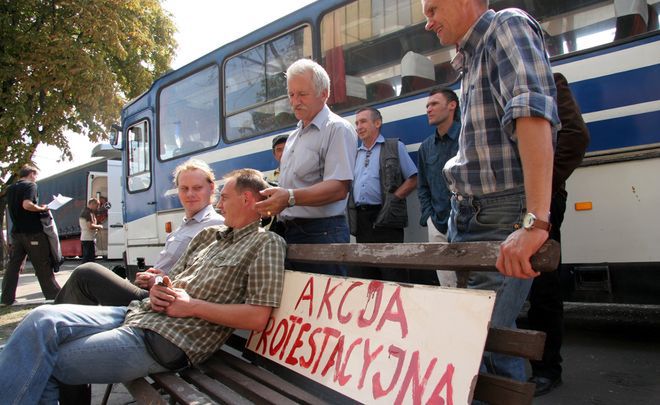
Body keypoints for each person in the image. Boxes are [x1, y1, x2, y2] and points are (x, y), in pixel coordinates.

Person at [0, 168, 286, 404]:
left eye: (223, 197)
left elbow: (258, 317)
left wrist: (191, 306)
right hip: (140, 314)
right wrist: (160, 285)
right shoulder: (209, 235)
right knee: (40, 319)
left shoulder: (265, 243)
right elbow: (171, 277)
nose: (219, 204)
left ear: (247, 199)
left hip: (170, 340)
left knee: (42, 362)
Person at [422, 0, 560, 382]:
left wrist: (534, 223)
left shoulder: (506, 26)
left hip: (501, 211)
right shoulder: (470, 56)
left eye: (432, 9)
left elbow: (531, 116)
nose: (427, 23)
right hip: (467, 213)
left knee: (483, 339)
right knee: (483, 343)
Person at [55, 158, 224, 306]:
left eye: (197, 188)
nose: (190, 194)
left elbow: (203, 278)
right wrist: (150, 275)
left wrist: (157, 281)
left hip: (161, 298)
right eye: (184, 188)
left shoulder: (215, 225)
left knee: (86, 273)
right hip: (150, 290)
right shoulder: (184, 227)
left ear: (211, 188)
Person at [255, 58, 357, 276]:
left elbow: (339, 188)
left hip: (322, 233)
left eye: (302, 94)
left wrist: (289, 197)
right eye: (291, 94)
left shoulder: (337, 129)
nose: (295, 101)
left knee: (324, 306)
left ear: (324, 93)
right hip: (288, 232)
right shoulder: (292, 137)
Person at [527, 72, 590, 396]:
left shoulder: (550, 81)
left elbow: (575, 138)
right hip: (503, 202)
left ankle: (547, 369)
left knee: (543, 286)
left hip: (541, 202)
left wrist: (541, 187)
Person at [349, 107, 417, 282]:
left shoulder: (394, 146)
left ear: (377, 123)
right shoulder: (354, 155)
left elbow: (413, 179)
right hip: (362, 220)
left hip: (386, 216)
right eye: (356, 123)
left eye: (363, 121)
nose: (358, 126)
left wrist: (393, 200)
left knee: (392, 271)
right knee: (368, 273)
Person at [417, 88, 460, 287]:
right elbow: (423, 186)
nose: (429, 109)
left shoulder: (467, 137)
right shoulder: (426, 147)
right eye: (427, 106)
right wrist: (429, 217)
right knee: (447, 285)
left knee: (474, 283)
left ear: (452, 105)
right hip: (438, 224)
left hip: (467, 223)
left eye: (434, 104)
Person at [1, 165, 60, 306]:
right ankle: (53, 296)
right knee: (42, 264)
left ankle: (6, 299)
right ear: (31, 174)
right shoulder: (30, 186)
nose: (36, 178)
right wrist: (41, 208)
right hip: (33, 232)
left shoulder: (11, 188)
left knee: (13, 266)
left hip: (17, 233)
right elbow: (27, 205)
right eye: (36, 175)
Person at [79, 198, 103, 263]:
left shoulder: (86, 212)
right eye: (97, 205)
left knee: (89, 257)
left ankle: (86, 270)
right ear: (92, 204)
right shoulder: (88, 213)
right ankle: (83, 271)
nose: (97, 207)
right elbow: (90, 226)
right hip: (88, 238)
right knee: (88, 257)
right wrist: (99, 226)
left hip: (87, 238)